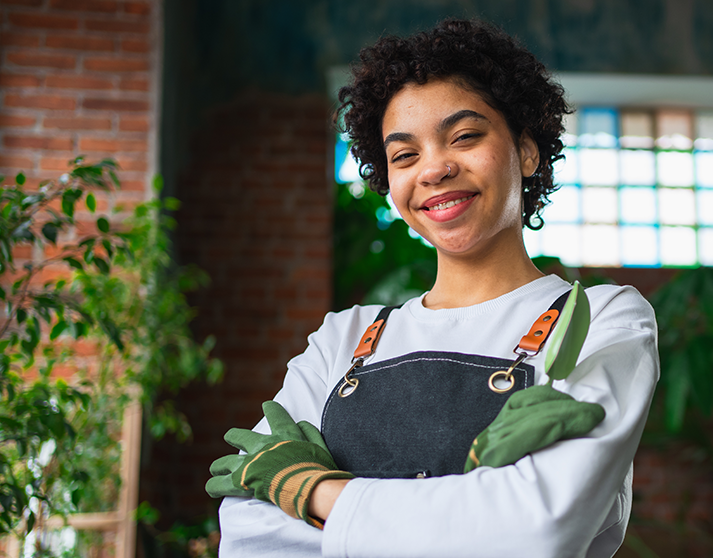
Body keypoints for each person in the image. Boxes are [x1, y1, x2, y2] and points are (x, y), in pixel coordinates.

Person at [213, 18, 659, 557]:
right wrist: (472, 506)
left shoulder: (598, 319)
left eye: (465, 137)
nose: (434, 169)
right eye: (404, 155)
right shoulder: (344, 339)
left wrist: (316, 491)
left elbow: (539, 528)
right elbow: (250, 533)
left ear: (526, 151)